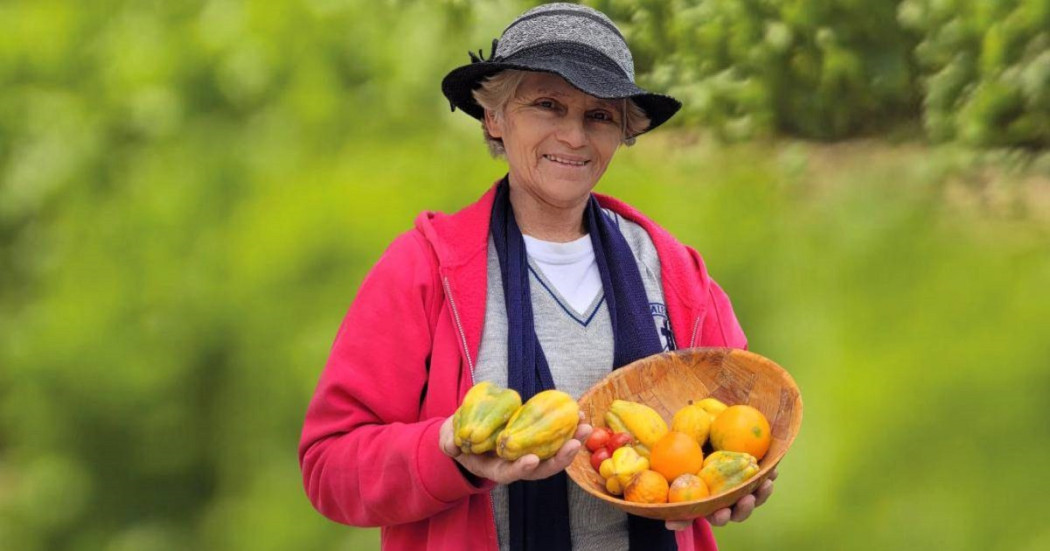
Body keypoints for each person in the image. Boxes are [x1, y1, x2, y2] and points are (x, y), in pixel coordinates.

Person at [299, 3, 775, 550]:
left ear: (624, 131)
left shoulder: (671, 271)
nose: (574, 136)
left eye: (599, 115)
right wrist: (447, 450)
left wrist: (737, 480)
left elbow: (741, 420)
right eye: (548, 106)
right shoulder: (426, 270)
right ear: (495, 117)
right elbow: (328, 466)